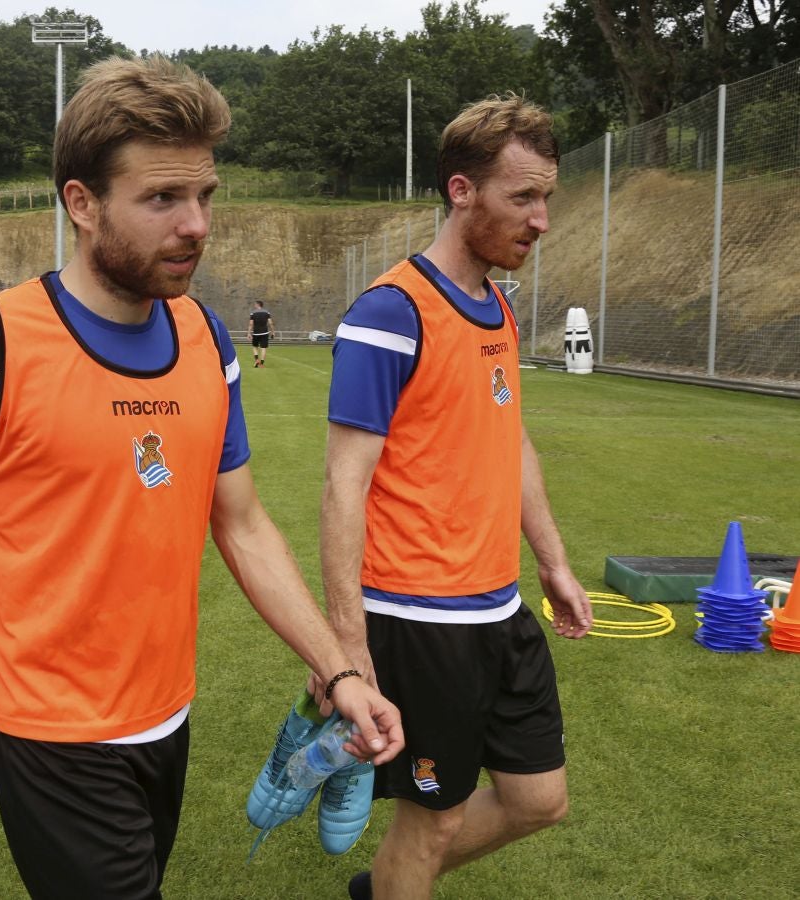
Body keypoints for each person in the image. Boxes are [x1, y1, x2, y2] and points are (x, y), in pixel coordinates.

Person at [0, 56, 404, 900]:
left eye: (205, 196)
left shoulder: (205, 338)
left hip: (167, 714)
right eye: (162, 199)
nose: (196, 225)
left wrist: (340, 672)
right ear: (82, 202)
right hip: (52, 732)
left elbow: (242, 522)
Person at [319, 93, 593, 900]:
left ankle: (381, 888)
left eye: (546, 197)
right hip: (419, 619)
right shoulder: (391, 313)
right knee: (431, 822)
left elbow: (512, 441)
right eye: (523, 196)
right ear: (462, 190)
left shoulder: (497, 307)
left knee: (539, 801)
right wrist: (347, 651)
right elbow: (342, 486)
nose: (541, 219)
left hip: (499, 608)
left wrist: (553, 563)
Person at [248, 300, 274, 367]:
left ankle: (257, 360)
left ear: (258, 304)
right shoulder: (267, 312)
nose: (254, 305)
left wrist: (249, 333)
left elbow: (251, 324)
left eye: (255, 304)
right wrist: (273, 332)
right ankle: (261, 363)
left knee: (255, 347)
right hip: (265, 333)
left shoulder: (253, 313)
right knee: (263, 348)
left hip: (256, 333)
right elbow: (270, 323)